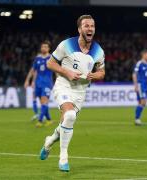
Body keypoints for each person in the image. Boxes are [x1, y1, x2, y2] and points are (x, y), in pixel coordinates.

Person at [39, 15, 105, 172]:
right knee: (69, 116)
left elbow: (101, 72)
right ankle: (63, 157)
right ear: (79, 29)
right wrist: (66, 72)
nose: (90, 28)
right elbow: (50, 63)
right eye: (86, 26)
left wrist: (95, 75)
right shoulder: (66, 44)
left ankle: (50, 140)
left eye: (92, 26)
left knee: (66, 121)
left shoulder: (98, 51)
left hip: (80, 92)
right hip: (63, 85)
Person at [32, 40, 54, 127]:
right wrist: (33, 82)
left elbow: (56, 70)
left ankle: (40, 121)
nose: (43, 48)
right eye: (42, 47)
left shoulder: (52, 58)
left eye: (45, 47)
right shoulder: (38, 58)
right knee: (42, 103)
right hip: (38, 83)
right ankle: (49, 120)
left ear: (49, 48)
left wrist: (58, 81)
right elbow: (35, 71)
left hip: (47, 83)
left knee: (44, 101)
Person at [132, 49, 147, 125]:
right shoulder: (139, 63)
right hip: (140, 85)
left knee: (142, 103)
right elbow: (134, 74)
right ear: (143, 55)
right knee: (143, 102)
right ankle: (137, 119)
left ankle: (137, 119)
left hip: (145, 86)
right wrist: (136, 85)